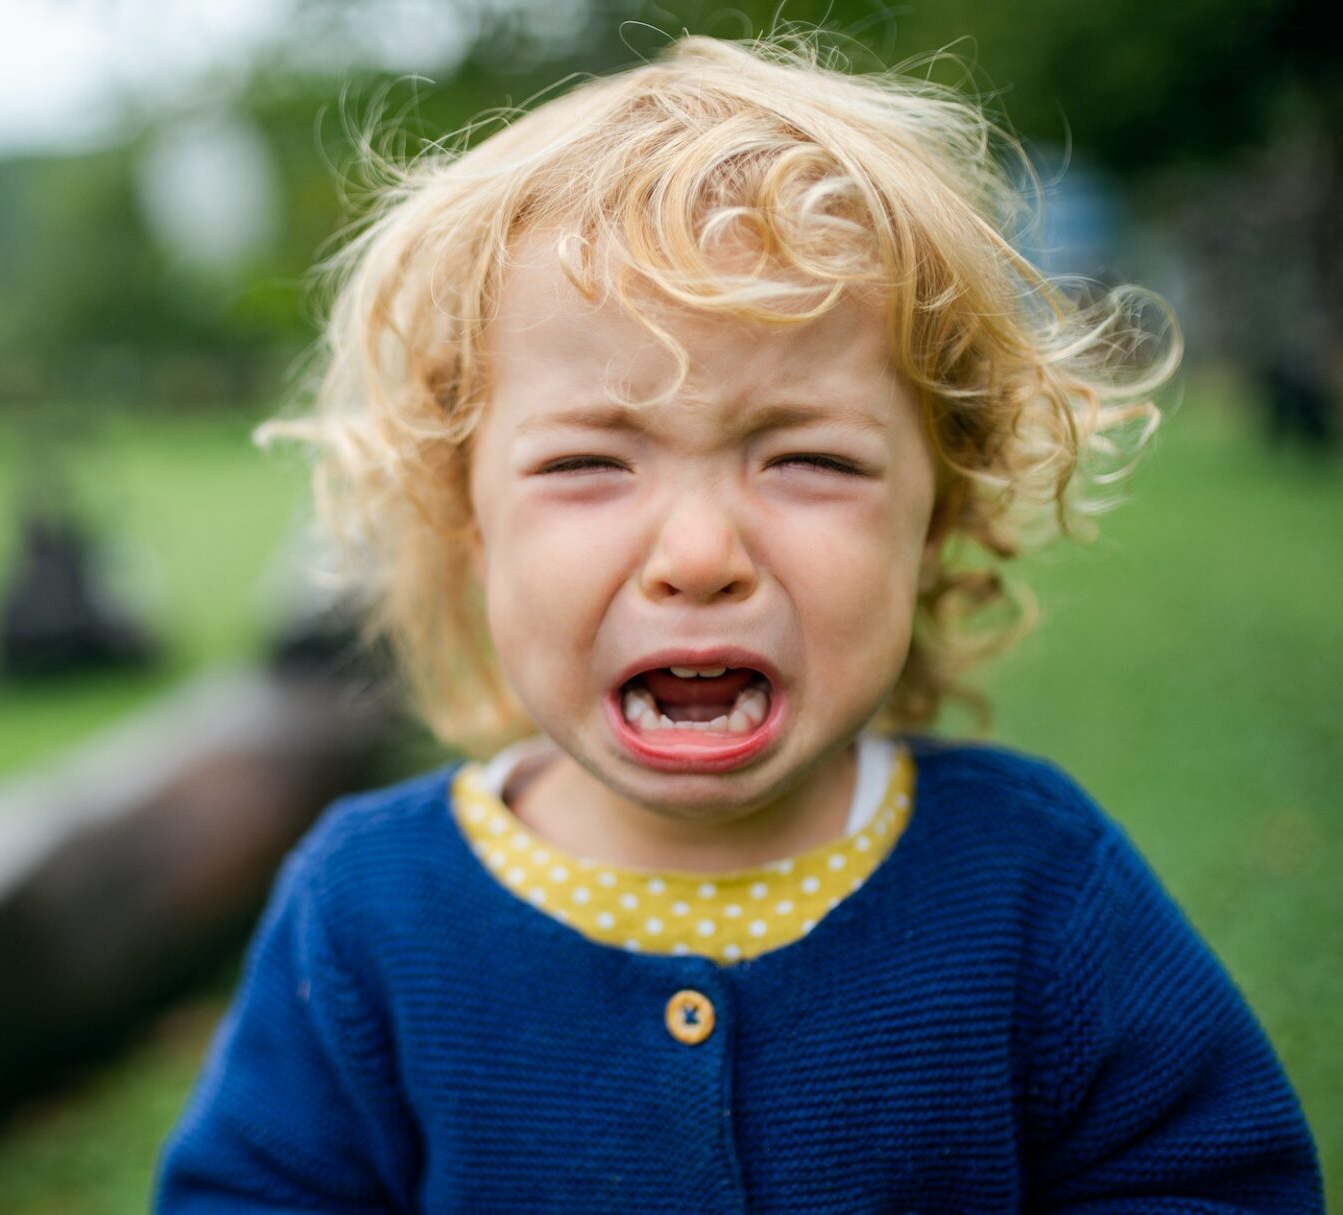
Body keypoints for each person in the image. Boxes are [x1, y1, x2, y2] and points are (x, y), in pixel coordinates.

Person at [155, 32, 1322, 1213]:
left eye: (808, 458)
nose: (701, 556)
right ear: (468, 520)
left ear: (936, 517)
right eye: (589, 463)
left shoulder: (1036, 887)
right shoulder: (367, 915)